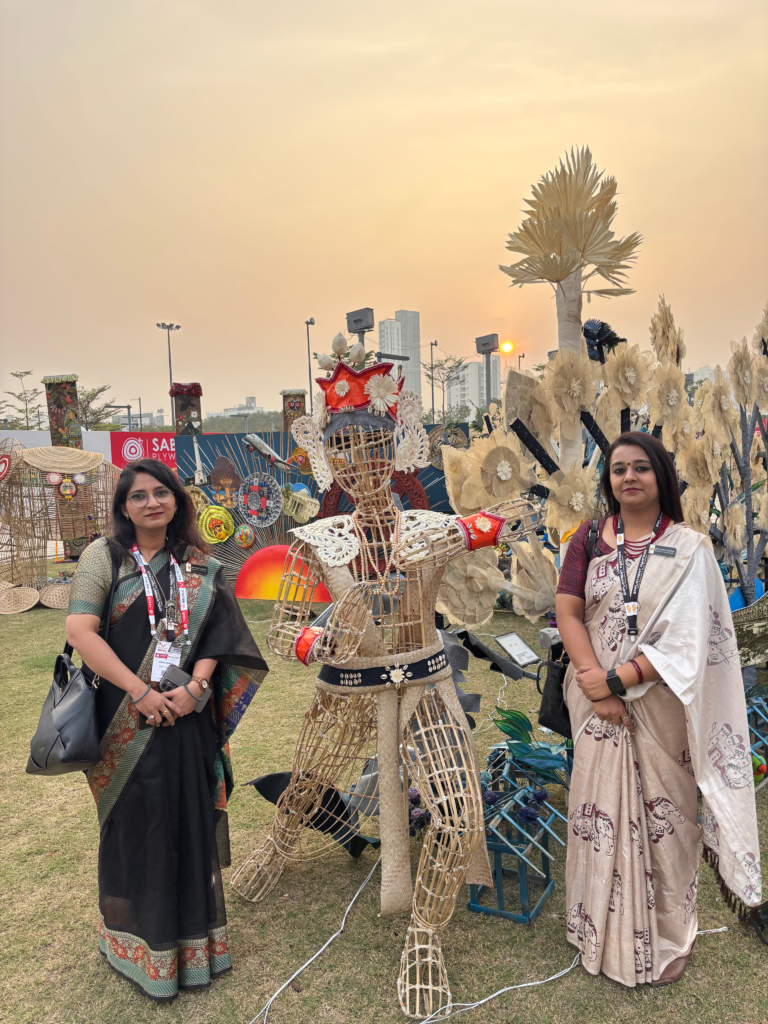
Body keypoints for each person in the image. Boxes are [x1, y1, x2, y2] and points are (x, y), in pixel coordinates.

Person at [556, 431, 761, 986]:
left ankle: (668, 936)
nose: (629, 476)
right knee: (596, 814)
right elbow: (568, 611)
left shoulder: (690, 549)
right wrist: (597, 688)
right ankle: (598, 932)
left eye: (641, 467)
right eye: (618, 469)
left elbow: (690, 639)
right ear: (609, 481)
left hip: (661, 705)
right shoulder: (588, 540)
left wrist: (619, 680)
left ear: (661, 476)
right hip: (596, 706)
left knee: (668, 822)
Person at [66, 458, 268, 1001]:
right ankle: (137, 946)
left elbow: (220, 636)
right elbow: (80, 631)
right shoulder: (104, 557)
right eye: (139, 495)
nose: (152, 502)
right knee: (136, 827)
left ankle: (196, 948)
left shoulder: (200, 565)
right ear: (124, 507)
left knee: (187, 820)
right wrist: (140, 691)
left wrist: (196, 689)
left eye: (161, 492)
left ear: (177, 500)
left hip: (186, 718)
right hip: (124, 717)